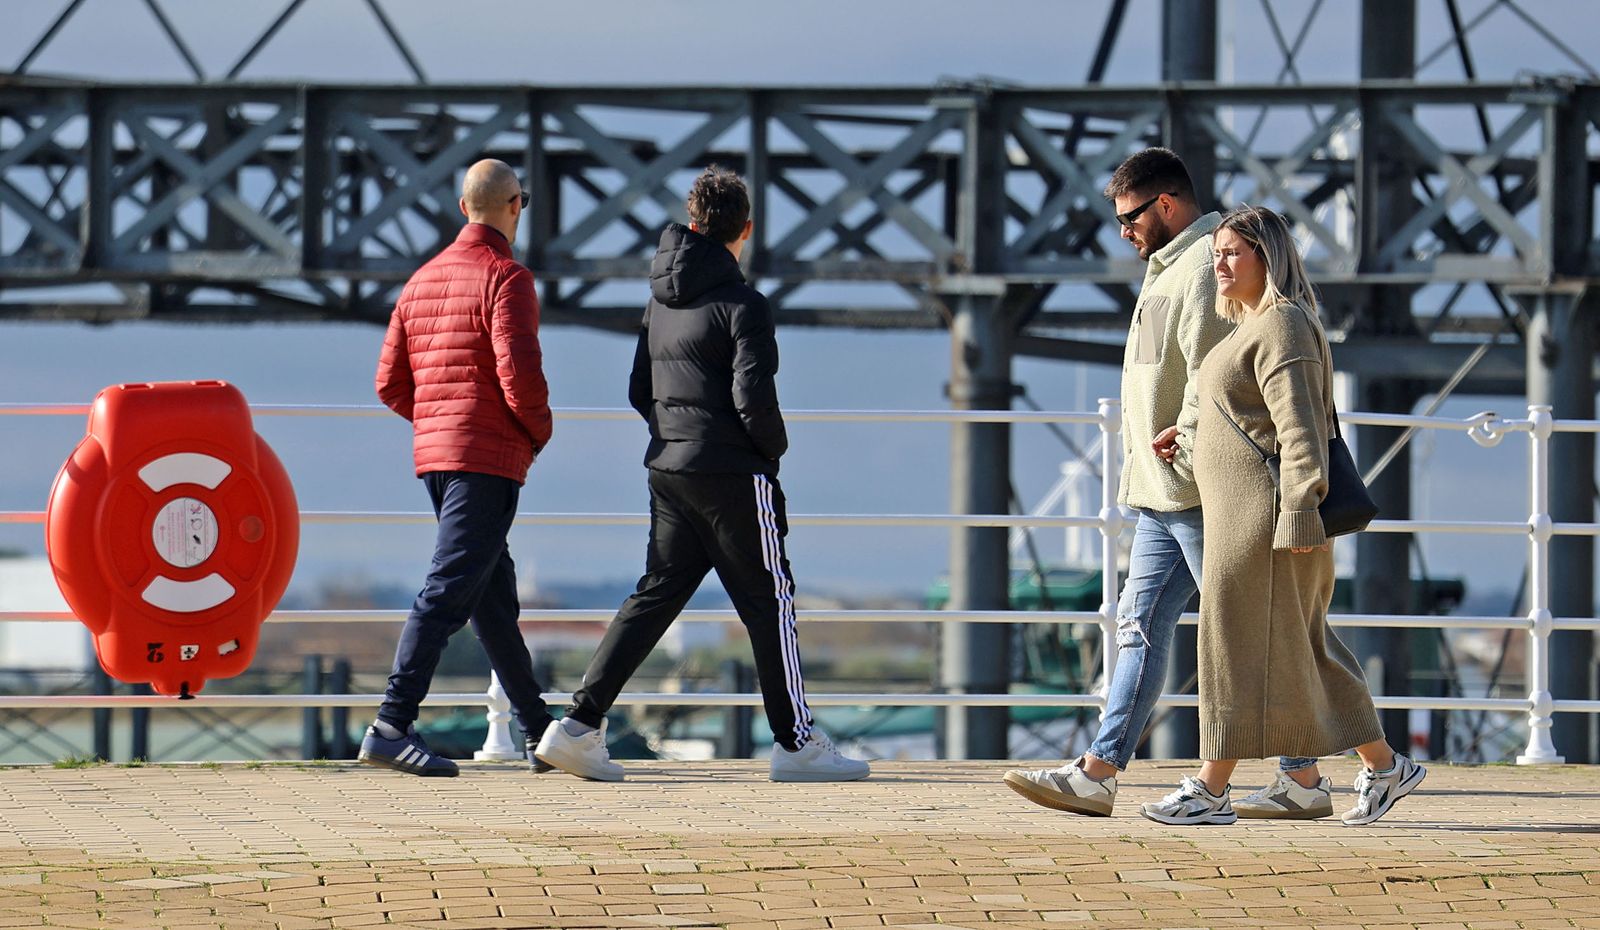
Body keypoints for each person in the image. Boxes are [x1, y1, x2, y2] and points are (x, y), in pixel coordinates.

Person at [1004, 148, 1319, 816]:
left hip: (1201, 491)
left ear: (1167, 205)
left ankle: (1303, 776)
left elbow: (1218, 370)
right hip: (1161, 493)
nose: (1123, 230)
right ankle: (1101, 771)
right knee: (1141, 627)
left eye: (1131, 216)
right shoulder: (1167, 269)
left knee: (1244, 636)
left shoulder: (1204, 267)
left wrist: (1193, 449)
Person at [533, 166, 869, 783]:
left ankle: (577, 727)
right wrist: (772, 451)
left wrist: (677, 436)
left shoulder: (658, 300)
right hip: (734, 474)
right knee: (772, 602)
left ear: (692, 224)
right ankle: (796, 744)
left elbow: (641, 388)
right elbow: (752, 400)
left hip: (669, 468)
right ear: (745, 230)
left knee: (655, 594)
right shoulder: (745, 305)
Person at [1139, 206, 1426, 826]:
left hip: (1266, 526)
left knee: (1233, 650)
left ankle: (1210, 791)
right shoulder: (1253, 326)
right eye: (1215, 253)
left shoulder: (1284, 326)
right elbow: (1250, 420)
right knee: (1304, 651)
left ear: (1267, 257)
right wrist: (1187, 437)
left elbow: (1301, 432)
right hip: (1243, 522)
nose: (1219, 263)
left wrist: (1300, 513)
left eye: (1233, 253)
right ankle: (1381, 768)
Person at [362, 158, 556, 777]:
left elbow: (390, 383)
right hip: (487, 458)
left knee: (491, 596)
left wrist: (438, 423)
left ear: (461, 207)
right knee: (448, 590)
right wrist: (537, 432)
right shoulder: (508, 277)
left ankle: (539, 730)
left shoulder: (420, 280)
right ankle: (391, 725)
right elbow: (519, 378)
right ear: (514, 206)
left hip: (438, 460)